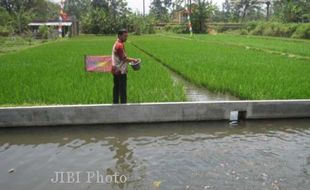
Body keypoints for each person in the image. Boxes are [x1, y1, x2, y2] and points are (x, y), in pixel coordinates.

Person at [111, 29, 138, 104]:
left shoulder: (117, 43)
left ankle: (115, 103)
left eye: (127, 36)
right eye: (125, 36)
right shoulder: (119, 45)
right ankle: (123, 105)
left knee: (116, 87)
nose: (126, 38)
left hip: (116, 70)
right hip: (120, 71)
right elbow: (124, 58)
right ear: (119, 36)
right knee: (122, 89)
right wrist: (134, 60)